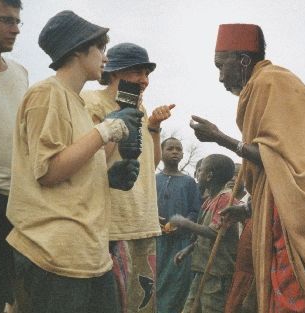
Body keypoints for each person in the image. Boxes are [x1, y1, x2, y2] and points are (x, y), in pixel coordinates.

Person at [190, 24, 305, 312]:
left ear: (244, 60)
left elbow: (282, 160)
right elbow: (276, 168)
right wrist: (248, 209)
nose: (220, 77)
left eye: (222, 65)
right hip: (280, 211)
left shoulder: (273, 83)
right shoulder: (262, 87)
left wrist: (220, 138)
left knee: (294, 294)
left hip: (300, 216)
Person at [6, 11, 141, 313]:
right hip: (54, 253)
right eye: (100, 49)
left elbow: (75, 169)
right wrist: (104, 130)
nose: (105, 57)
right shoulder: (46, 94)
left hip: (89, 254)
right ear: (79, 49)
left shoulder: (77, 103)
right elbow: (49, 171)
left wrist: (108, 175)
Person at [82, 42, 174, 313]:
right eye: (136, 72)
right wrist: (115, 122)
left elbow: (151, 164)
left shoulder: (141, 110)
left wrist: (154, 127)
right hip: (111, 224)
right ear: (113, 72)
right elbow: (89, 159)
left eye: (146, 73)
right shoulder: (91, 102)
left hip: (143, 222)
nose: (144, 81)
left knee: (141, 305)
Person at [0, 0, 28, 311]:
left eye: (18, 21)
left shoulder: (20, 73)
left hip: (20, 202)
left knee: (14, 295)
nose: (15, 29)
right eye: (6, 20)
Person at [171, 154, 239, 313]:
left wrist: (184, 223)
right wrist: (188, 249)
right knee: (190, 308)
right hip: (204, 268)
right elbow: (204, 235)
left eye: (200, 170)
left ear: (209, 176)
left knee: (211, 308)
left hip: (217, 272)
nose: (198, 173)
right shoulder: (210, 200)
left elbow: (215, 233)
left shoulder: (226, 199)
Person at [155, 137, 201, 313]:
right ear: (161, 152)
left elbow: (195, 211)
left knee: (177, 286)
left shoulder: (189, 183)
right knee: (154, 282)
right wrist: (153, 219)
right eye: (170, 148)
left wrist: (181, 225)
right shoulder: (154, 179)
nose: (175, 151)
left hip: (180, 244)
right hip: (157, 242)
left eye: (178, 149)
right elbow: (146, 206)